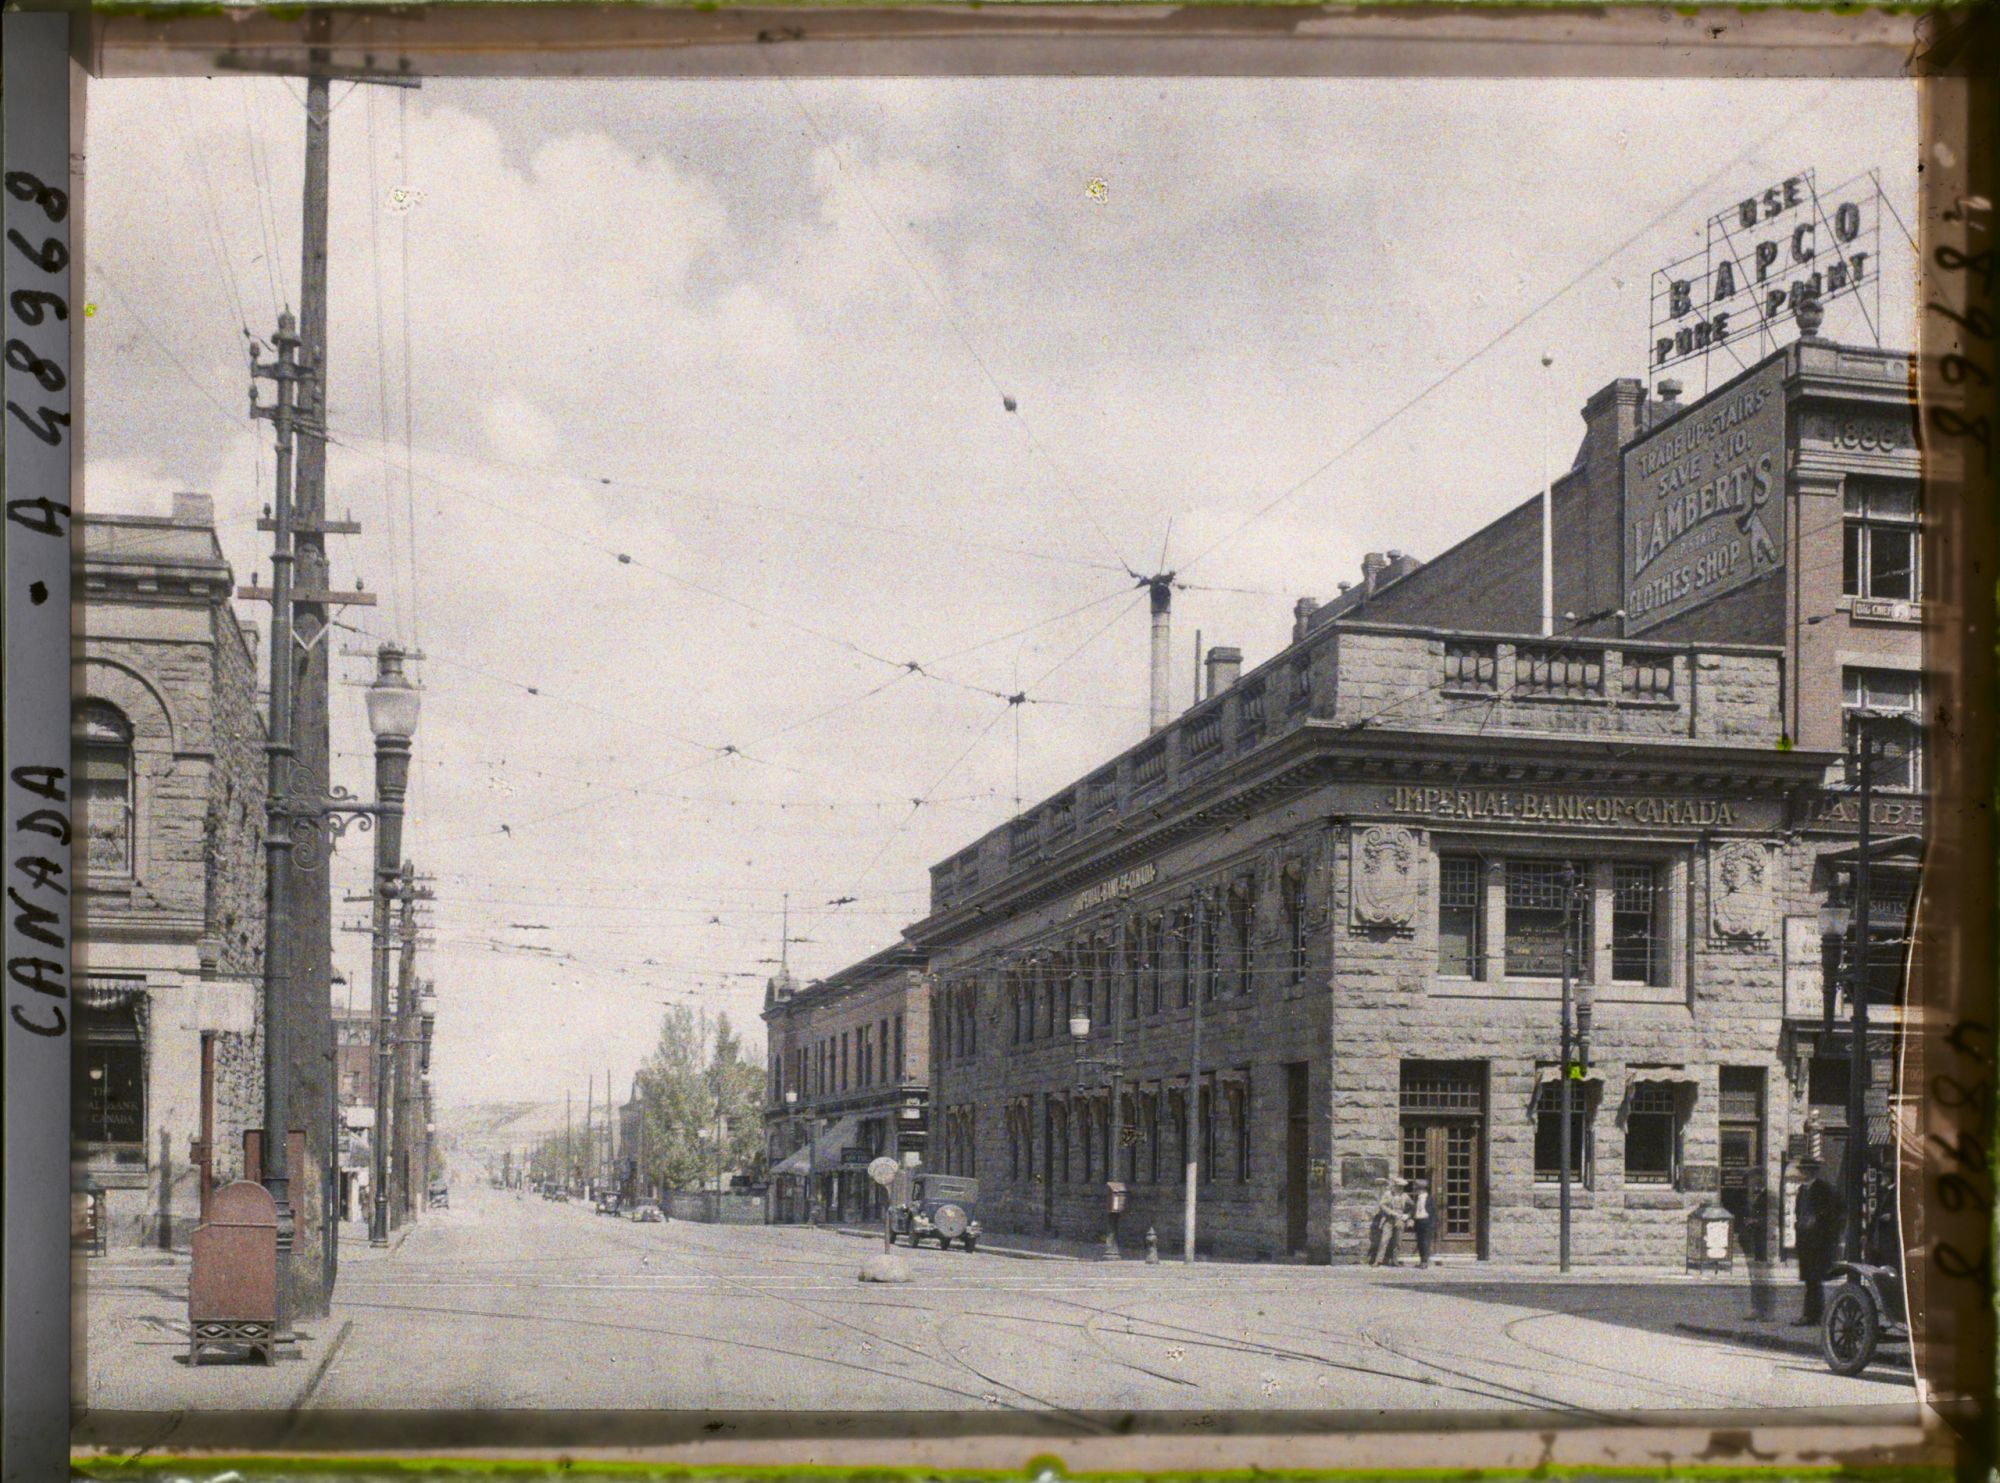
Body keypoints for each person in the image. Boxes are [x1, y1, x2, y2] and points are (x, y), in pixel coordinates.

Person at [1793, 1158, 1842, 1325]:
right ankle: (1812, 1315)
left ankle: (1812, 1315)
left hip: (1818, 1242)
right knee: (1809, 1280)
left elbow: (1833, 1212)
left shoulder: (1823, 1188)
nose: (1803, 1174)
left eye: (1807, 1170)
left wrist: (1818, 1220)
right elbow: (1798, 1213)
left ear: (1813, 1171)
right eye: (1802, 1170)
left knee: (1814, 1280)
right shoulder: (1802, 1190)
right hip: (1805, 1240)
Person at [1368, 1178, 1408, 1266]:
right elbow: (1382, 1205)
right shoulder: (1388, 1194)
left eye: (1402, 1187)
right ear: (1394, 1186)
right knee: (1384, 1240)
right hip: (1389, 1219)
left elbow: (1412, 1206)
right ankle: (1378, 1260)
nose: (1400, 1189)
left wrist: (1407, 1215)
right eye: (1399, 1186)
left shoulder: (1405, 1195)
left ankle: (1395, 1260)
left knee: (1398, 1241)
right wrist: (1391, 1212)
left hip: (1400, 1220)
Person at [1410, 1178, 1435, 1268]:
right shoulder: (1417, 1198)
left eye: (1415, 1187)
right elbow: (1415, 1209)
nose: (1414, 1189)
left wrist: (1431, 1223)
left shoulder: (1429, 1198)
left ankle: (1424, 1262)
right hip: (1418, 1221)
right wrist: (1412, 1218)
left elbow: (1432, 1212)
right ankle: (1422, 1261)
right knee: (1420, 1242)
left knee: (1425, 1241)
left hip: (1426, 1221)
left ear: (1421, 1188)